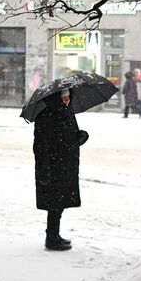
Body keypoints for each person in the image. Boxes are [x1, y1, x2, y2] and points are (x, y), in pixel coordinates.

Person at [33, 89, 88, 251]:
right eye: (63, 98)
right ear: (56, 98)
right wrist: (44, 168)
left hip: (65, 165)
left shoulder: (67, 112)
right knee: (54, 203)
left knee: (60, 201)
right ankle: (51, 237)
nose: (67, 101)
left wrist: (80, 137)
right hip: (54, 165)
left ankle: (53, 235)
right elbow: (40, 145)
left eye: (68, 97)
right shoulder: (46, 115)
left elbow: (69, 136)